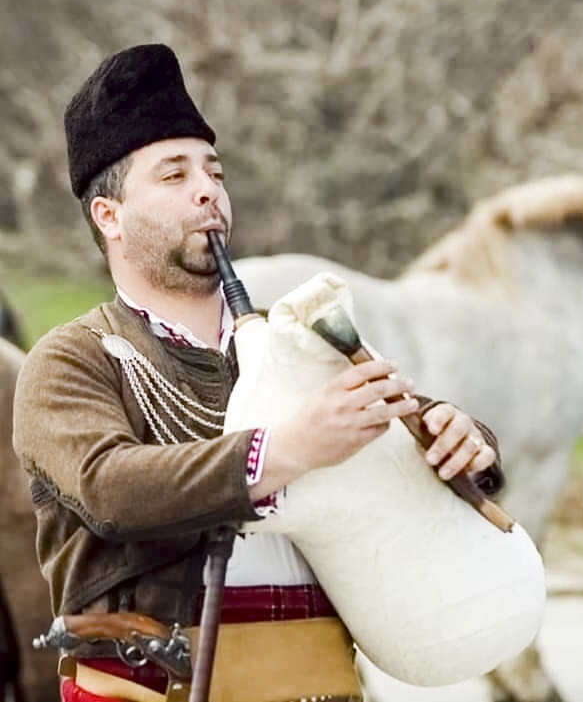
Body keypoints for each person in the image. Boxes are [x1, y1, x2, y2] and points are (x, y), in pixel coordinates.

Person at [12, 44, 504, 702]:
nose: (208, 189)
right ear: (110, 215)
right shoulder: (71, 360)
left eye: (214, 170)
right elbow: (109, 489)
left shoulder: (299, 340)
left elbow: (399, 445)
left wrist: (458, 436)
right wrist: (289, 447)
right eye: (173, 175)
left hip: (319, 682)